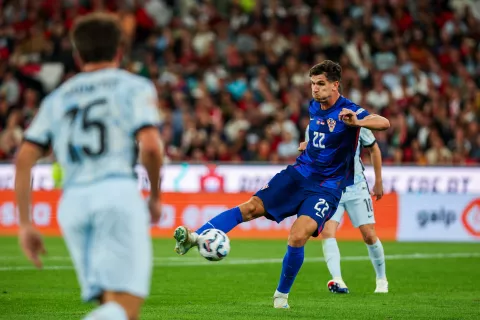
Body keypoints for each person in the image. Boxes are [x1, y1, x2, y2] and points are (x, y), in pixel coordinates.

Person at [173, 60, 390, 308]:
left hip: (327, 188)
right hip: (298, 175)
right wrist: (309, 146)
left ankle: (281, 297)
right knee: (251, 207)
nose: (315, 89)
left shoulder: (349, 110)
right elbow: (325, 139)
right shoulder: (314, 107)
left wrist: (358, 122)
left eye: (321, 84)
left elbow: (383, 122)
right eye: (312, 84)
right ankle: (194, 237)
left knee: (298, 236)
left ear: (335, 85)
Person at [15, 12, 164, 320]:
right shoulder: (133, 86)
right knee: (125, 307)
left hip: (73, 204)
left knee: (113, 307)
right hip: (116, 194)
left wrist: (26, 222)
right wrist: (155, 196)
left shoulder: (57, 98)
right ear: (120, 51)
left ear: (77, 54)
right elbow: (150, 147)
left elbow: (24, 157)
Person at [300, 126, 388, 294]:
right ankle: (338, 280)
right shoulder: (313, 126)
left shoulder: (355, 122)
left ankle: (381, 279)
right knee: (327, 232)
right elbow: (311, 158)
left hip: (356, 186)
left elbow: (374, 149)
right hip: (330, 188)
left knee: (369, 235)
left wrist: (378, 181)